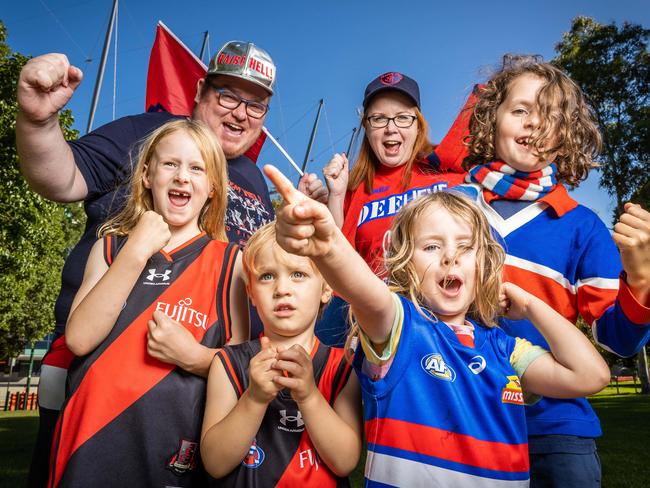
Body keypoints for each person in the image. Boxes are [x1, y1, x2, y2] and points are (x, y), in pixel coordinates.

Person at [16, 40, 325, 487]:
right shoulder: (146, 133)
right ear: (200, 90)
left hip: (194, 404)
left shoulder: (256, 182)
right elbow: (61, 176)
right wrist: (39, 121)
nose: (240, 113)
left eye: (255, 105)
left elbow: (256, 317)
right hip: (98, 384)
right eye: (229, 96)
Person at [266, 165, 611, 485]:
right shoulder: (400, 329)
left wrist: (533, 307)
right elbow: (365, 292)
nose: (450, 256)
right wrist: (328, 248)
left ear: (483, 264)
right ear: (405, 265)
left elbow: (590, 376)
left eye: (465, 247)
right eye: (432, 246)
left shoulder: (505, 349)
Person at [459, 55, 650, 487]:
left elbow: (616, 340)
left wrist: (641, 280)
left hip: (556, 430)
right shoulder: (450, 206)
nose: (533, 125)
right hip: (464, 417)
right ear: (491, 120)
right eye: (521, 110)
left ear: (566, 135)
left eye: (549, 116)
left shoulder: (581, 225)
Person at [48, 119, 248, 487]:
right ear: (146, 175)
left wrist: (194, 356)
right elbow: (79, 339)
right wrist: (136, 250)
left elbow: (241, 370)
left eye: (196, 168)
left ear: (213, 188)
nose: (182, 177)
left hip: (172, 450)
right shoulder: (110, 248)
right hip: (89, 442)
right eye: (170, 164)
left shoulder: (232, 262)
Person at [201, 222, 362, 486]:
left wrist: (309, 396)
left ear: (326, 288)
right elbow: (215, 464)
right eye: (267, 276)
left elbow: (345, 462)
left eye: (298, 274)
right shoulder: (228, 362)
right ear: (251, 293)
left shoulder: (343, 367)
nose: (282, 289)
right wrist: (254, 398)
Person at [319, 72, 465, 345]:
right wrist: (336, 195)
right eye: (379, 119)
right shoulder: (357, 186)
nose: (390, 128)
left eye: (402, 117)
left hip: (437, 311)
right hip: (368, 314)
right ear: (367, 127)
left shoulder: (446, 172)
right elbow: (337, 255)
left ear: (418, 124)